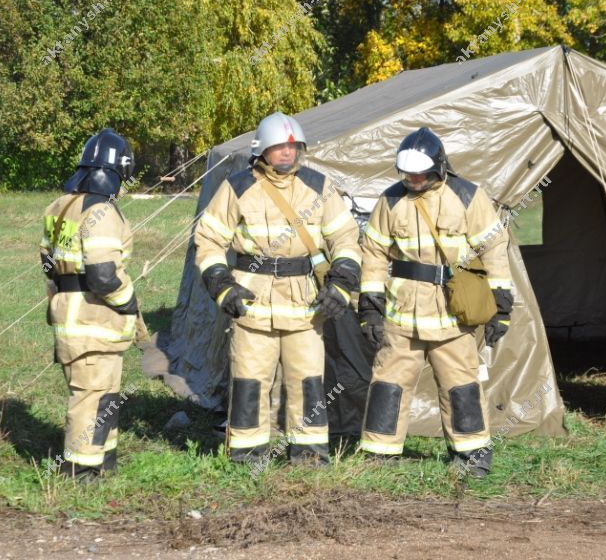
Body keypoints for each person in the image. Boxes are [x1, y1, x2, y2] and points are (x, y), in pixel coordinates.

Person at [194, 112, 361, 466]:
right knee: (250, 381)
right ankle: (247, 455)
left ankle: (309, 455)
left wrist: (342, 281)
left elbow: (346, 236)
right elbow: (208, 240)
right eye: (279, 148)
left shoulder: (319, 186)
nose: (287, 154)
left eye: (293, 147)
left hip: (305, 304)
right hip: (251, 303)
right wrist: (223, 288)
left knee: (308, 382)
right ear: (262, 152)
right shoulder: (237, 187)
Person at [357, 127, 513, 478]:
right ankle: (380, 454)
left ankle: (472, 456)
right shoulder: (390, 200)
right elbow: (374, 253)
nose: (413, 180)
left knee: (461, 384)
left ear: (439, 167)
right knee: (388, 383)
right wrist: (369, 307)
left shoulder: (469, 197)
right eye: (407, 174)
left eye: (420, 174)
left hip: (452, 316)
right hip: (401, 314)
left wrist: (501, 306)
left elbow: (494, 250)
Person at [40, 128, 139, 481]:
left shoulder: (59, 205)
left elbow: (48, 264)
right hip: (95, 317)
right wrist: (128, 302)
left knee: (104, 393)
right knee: (91, 395)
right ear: (120, 170)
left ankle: (104, 459)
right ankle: (80, 470)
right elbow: (103, 275)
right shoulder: (103, 211)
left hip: (68, 314)